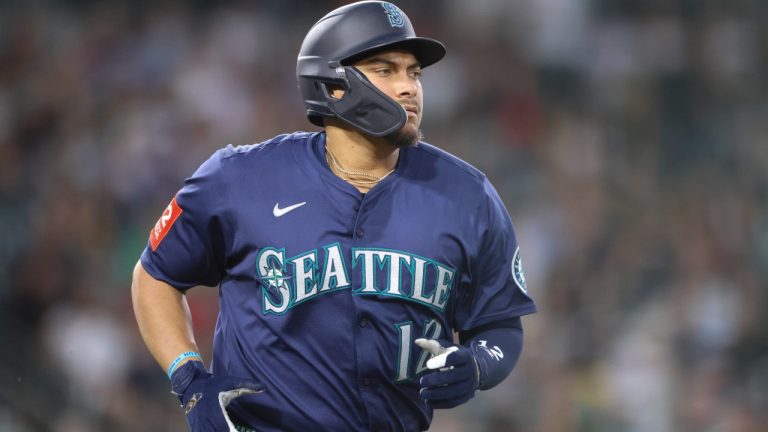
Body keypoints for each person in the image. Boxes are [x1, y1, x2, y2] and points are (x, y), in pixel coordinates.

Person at [131, 1, 537, 431]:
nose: (409, 88)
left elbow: (500, 325)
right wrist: (189, 376)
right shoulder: (239, 179)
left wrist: (476, 364)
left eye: (414, 73)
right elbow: (155, 276)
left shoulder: (467, 195)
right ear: (333, 84)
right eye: (386, 70)